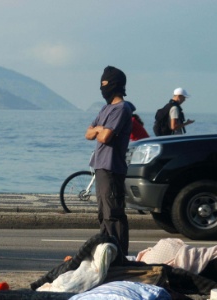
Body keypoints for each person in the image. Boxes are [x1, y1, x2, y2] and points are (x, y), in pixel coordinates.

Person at [85, 66, 132, 257]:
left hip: (112, 168)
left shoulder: (121, 109)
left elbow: (104, 137)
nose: (102, 88)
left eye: (105, 84)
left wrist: (99, 129)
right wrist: (99, 129)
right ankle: (106, 253)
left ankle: (118, 255)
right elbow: (89, 133)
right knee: (103, 215)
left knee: (113, 214)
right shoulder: (106, 109)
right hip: (101, 166)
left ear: (115, 85)